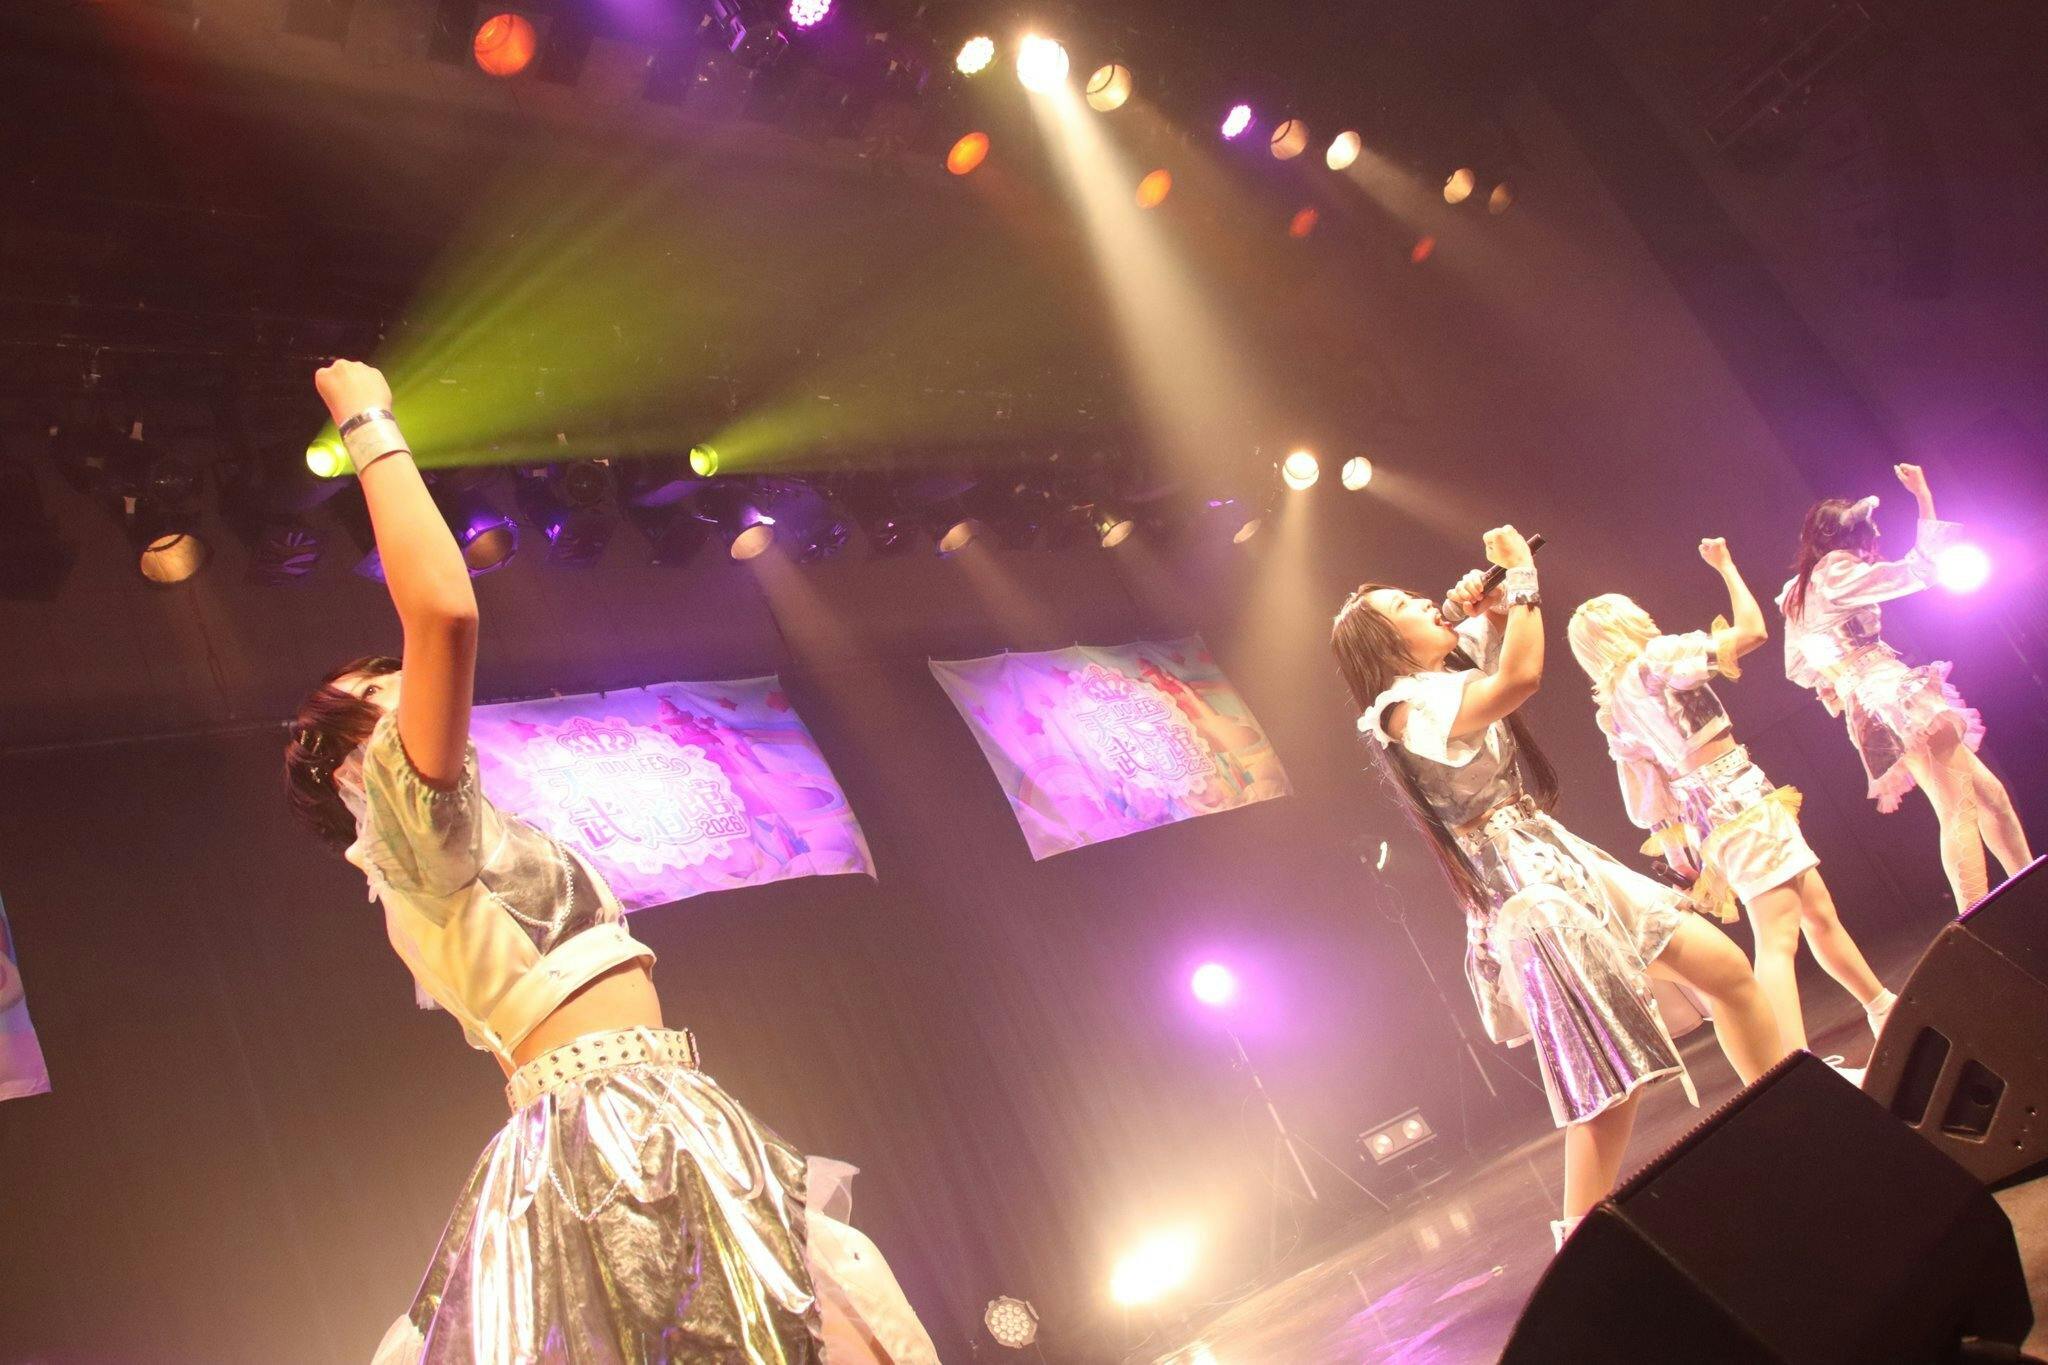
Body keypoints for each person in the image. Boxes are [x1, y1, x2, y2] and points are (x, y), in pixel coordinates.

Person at [283, 360, 936, 1363]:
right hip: (613, 1136)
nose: (406, 686)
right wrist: (367, 421)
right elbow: (445, 615)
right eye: (380, 689)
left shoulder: (447, 846)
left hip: (652, 1113)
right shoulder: (410, 824)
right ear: (346, 771)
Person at [1332, 527, 1783, 1249]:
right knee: (1610, 1076)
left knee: (1727, 972)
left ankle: (1790, 1118)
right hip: (1527, 890)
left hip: (1556, 856)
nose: (1426, 603)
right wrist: (1521, 578)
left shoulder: (1441, 679)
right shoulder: (1399, 710)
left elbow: (1502, 652)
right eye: (1407, 606)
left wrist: (1497, 608)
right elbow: (1518, 681)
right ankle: (1580, 1243)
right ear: (1384, 644)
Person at [1568, 538, 1895, 1061]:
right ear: (1619, 627)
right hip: (1734, 800)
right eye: (1635, 611)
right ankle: (1794, 1065)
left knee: (1817, 914)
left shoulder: (1614, 707)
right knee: (1778, 937)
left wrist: (1674, 844)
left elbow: (1646, 786)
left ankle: (1881, 1007)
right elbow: (1752, 632)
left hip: (1717, 806)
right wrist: (1725, 567)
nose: (1646, 615)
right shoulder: (1655, 661)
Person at [1779, 463, 2031, 912]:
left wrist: (1841, 683)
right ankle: (1979, 918)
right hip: (1890, 693)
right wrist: (1923, 497)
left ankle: (2031, 889)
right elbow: (1919, 569)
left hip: (1871, 699)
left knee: (1990, 797)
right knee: (1957, 809)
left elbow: (1798, 666)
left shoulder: (1800, 592)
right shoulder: (1835, 569)